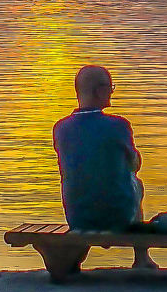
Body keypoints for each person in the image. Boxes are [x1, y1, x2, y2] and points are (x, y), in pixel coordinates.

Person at [52, 64, 155, 269]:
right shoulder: (119, 125)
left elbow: (65, 169)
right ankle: (141, 257)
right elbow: (134, 165)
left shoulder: (60, 128)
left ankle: (78, 254)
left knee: (84, 181)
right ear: (100, 91)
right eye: (110, 88)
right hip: (117, 217)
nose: (111, 92)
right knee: (138, 184)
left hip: (78, 218)